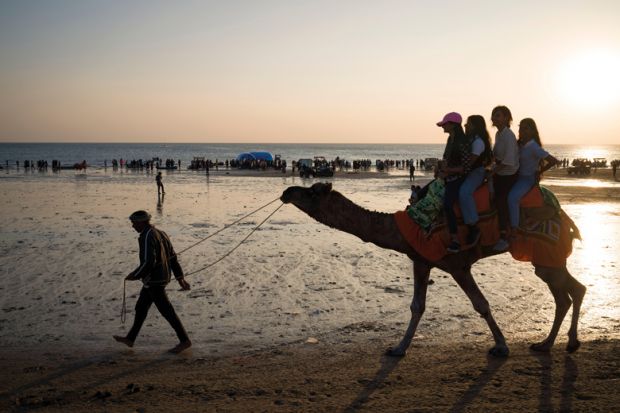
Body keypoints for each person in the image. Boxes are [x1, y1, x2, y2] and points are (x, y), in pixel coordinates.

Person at [113, 210, 192, 354]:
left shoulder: (146, 236)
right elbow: (173, 257)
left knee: (167, 311)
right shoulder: (161, 233)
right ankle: (130, 338)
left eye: (134, 223)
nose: (133, 226)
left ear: (142, 222)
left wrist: (135, 275)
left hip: (154, 280)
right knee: (141, 308)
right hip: (161, 278)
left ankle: (184, 340)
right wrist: (180, 278)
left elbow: (149, 262)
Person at [507, 118, 558, 234]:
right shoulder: (519, 144)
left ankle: (514, 227)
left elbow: (553, 161)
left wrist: (539, 172)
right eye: (520, 128)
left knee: (512, 198)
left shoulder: (534, 147)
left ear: (532, 131)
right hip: (515, 176)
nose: (522, 131)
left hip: (526, 179)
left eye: (526, 128)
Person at [435, 112, 470, 253]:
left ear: (453, 125)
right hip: (448, 176)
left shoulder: (462, 142)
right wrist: (439, 168)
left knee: (447, 204)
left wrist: (449, 170)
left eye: (445, 124)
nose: (443, 126)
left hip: (459, 179)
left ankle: (455, 239)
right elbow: (445, 158)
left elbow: (466, 167)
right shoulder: (450, 139)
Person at [458, 115, 493, 246]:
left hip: (476, 172)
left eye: (469, 124)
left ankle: (473, 226)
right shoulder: (470, 140)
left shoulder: (478, 142)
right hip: (469, 171)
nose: (466, 126)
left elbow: (470, 163)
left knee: (465, 192)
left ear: (476, 126)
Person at [490, 105, 519, 251]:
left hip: (509, 174)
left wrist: (492, 172)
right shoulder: (498, 134)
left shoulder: (508, 135)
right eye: (493, 115)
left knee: (501, 200)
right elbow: (495, 154)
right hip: (500, 171)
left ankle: (504, 236)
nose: (494, 118)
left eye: (498, 115)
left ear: (506, 118)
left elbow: (508, 161)